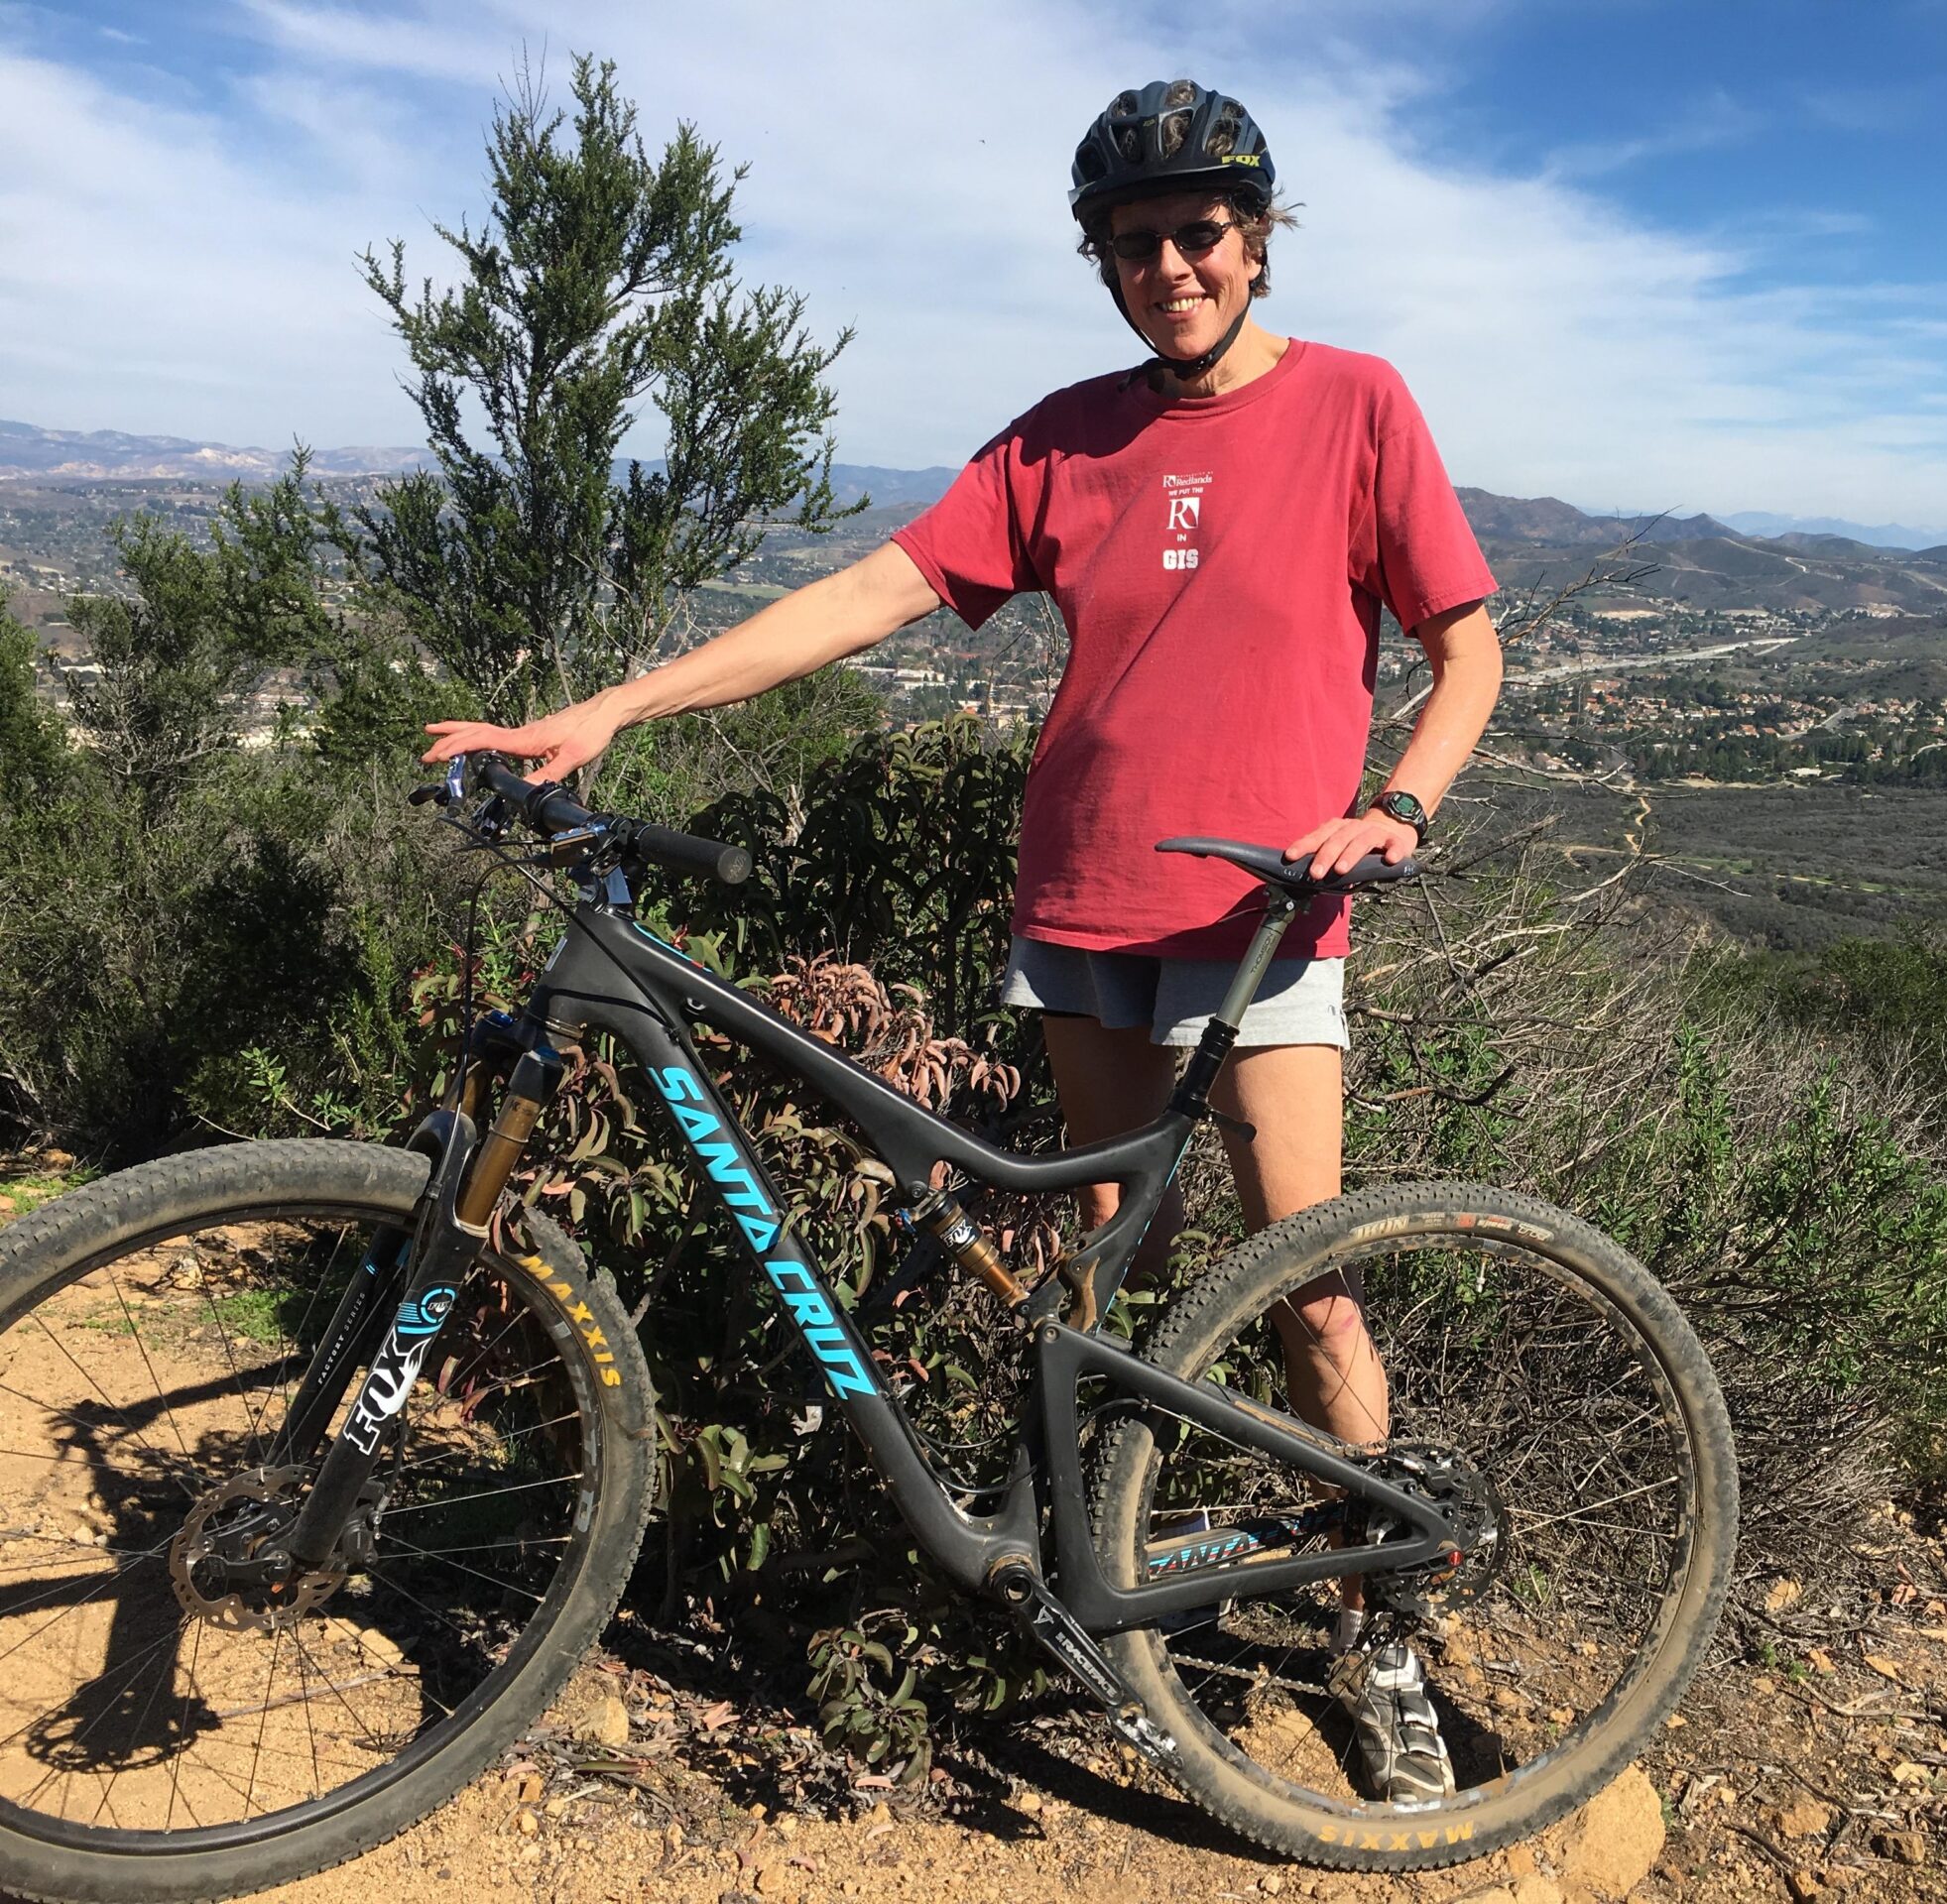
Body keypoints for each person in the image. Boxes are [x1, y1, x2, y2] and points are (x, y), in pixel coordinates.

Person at [421, 76, 1503, 1804]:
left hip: (1265, 921)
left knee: (1308, 1292)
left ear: (1261, 236)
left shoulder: (1358, 405)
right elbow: (873, 593)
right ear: (1101, 260)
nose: (1172, 268)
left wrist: (1404, 808)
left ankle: (1381, 1636)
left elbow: (1468, 650)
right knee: (1088, 1276)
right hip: (1081, 906)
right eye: (1135, 245)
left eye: (1202, 235)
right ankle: (1115, 1598)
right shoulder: (1066, 432)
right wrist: (617, 706)